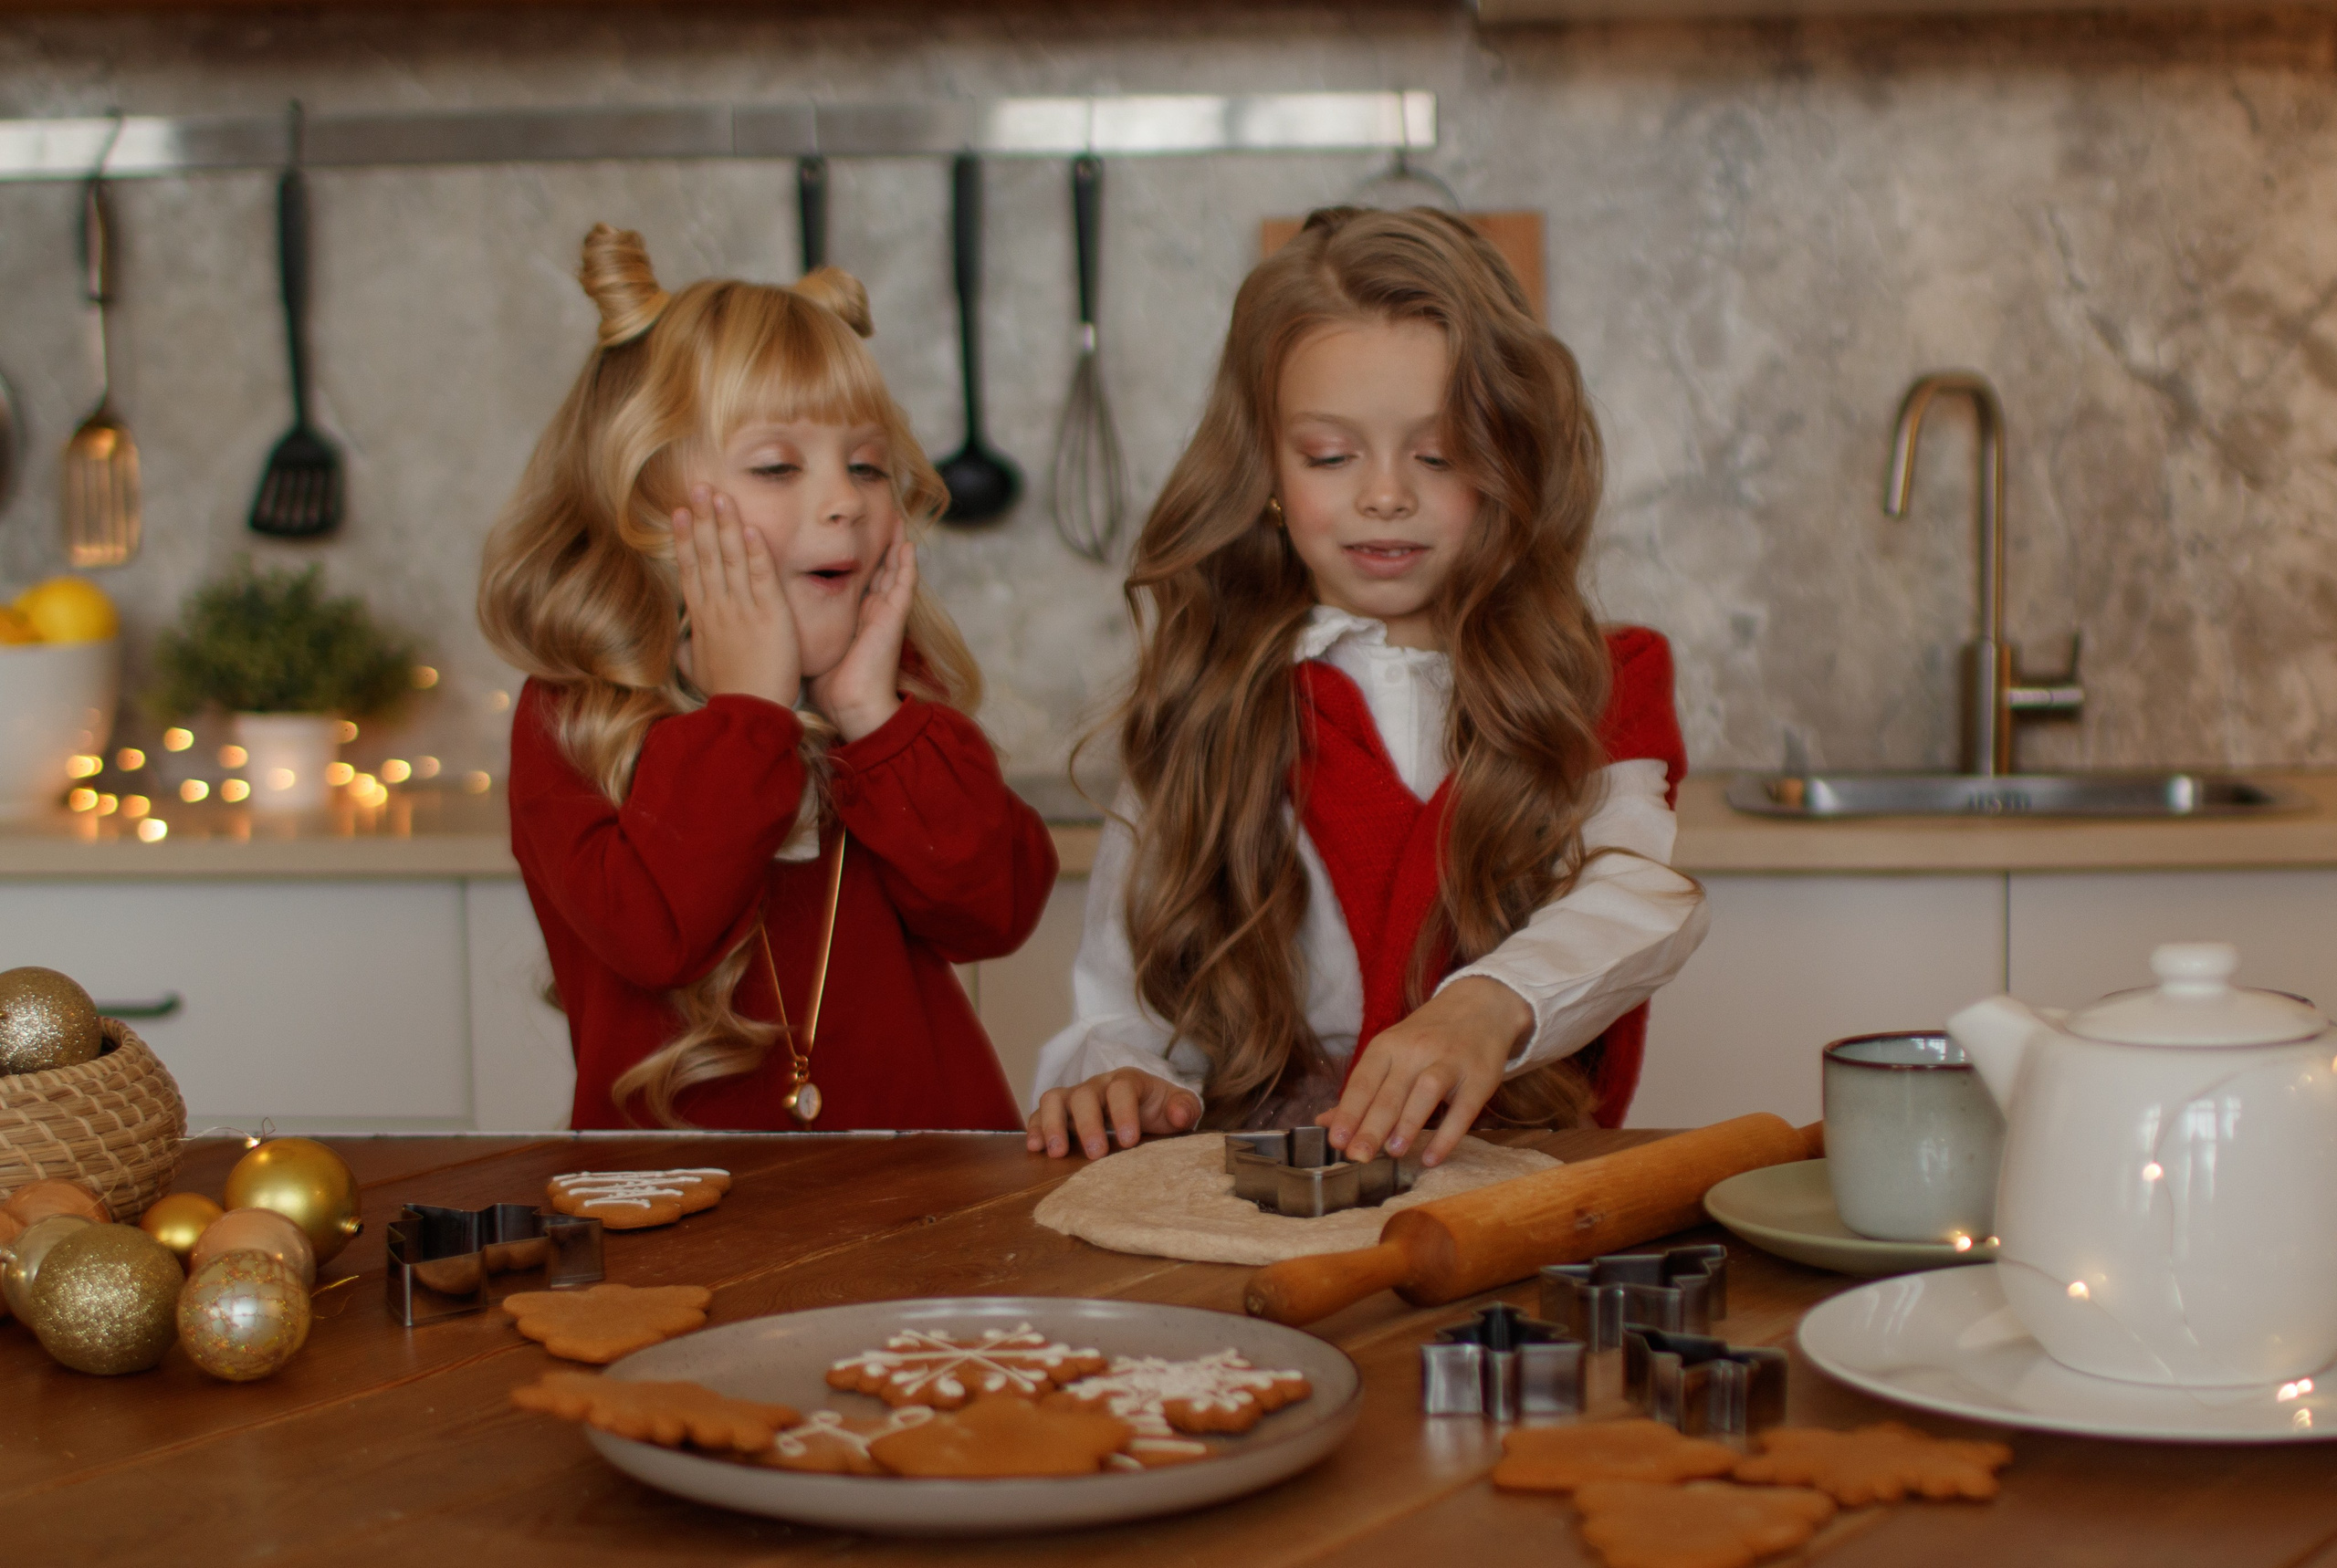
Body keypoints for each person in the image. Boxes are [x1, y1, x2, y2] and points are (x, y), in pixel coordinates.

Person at [1028, 207, 1708, 1168]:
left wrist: (1487, 1003)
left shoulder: (1596, 681)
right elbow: (1125, 1008)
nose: (1384, 493)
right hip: (1249, 1196)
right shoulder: (1207, 698)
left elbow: (1639, 898)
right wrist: (1124, 1072)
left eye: (1437, 454)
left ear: (1508, 455)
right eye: (1330, 455)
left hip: (1504, 1189)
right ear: (1264, 465)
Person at [480, 224, 1054, 1132]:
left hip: (926, 1201)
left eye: (866, 464)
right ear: (642, 502)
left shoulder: (889, 695)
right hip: (671, 1210)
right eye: (777, 465)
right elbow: (656, 937)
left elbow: (999, 915)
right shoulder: (572, 714)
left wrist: (872, 713)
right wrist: (747, 710)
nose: (844, 499)